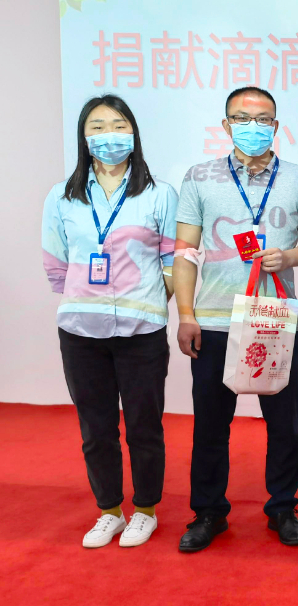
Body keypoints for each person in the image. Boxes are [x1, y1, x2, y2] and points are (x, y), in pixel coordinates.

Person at [173, 86, 298, 552]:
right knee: (210, 424)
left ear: (276, 127)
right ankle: (208, 512)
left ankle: (282, 508)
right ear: (226, 125)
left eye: (262, 120)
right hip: (215, 319)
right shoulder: (199, 176)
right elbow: (185, 251)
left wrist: (290, 256)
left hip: (275, 318)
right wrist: (185, 314)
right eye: (242, 118)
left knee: (283, 423)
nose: (252, 127)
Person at [41, 94, 177, 548]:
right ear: (84, 137)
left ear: (134, 133)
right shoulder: (63, 196)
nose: (108, 135)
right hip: (81, 332)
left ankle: (146, 510)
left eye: (118, 126)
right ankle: (109, 511)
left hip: (142, 331)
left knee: (144, 426)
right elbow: (56, 261)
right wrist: (87, 297)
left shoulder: (159, 194)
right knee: (96, 429)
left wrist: (148, 300)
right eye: (97, 127)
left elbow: (172, 261)